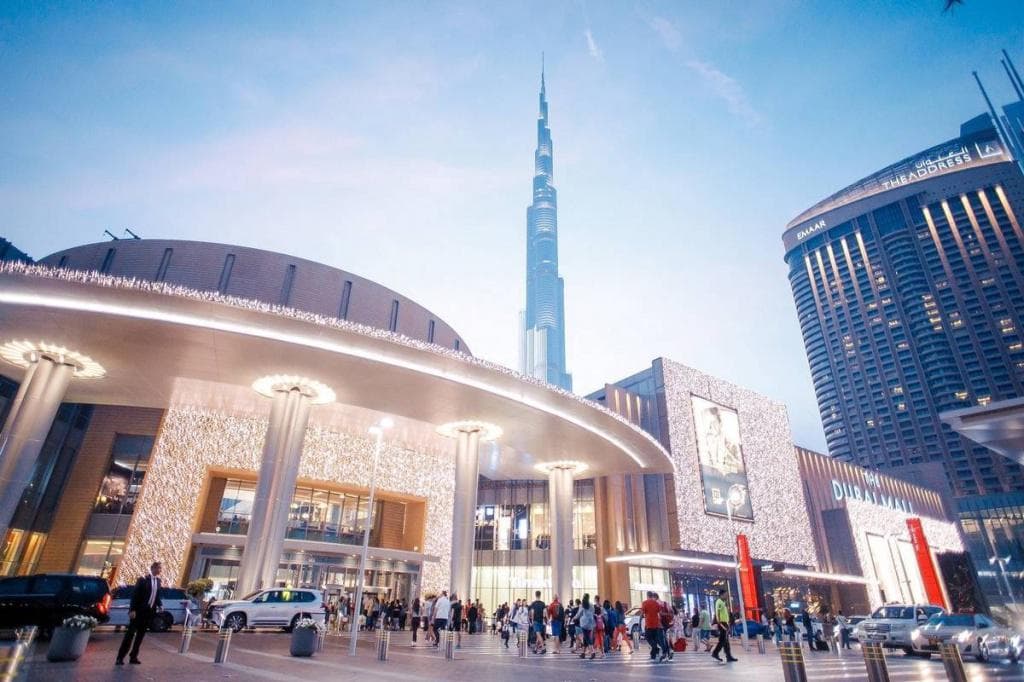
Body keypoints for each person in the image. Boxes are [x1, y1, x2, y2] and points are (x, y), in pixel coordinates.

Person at [116, 561, 163, 665]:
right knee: (130, 634)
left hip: (149, 612)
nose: (160, 570)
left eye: (160, 568)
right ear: (153, 568)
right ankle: (120, 657)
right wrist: (132, 610)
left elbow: (157, 595)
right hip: (138, 611)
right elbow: (135, 595)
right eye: (159, 568)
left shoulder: (159, 581)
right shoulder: (143, 580)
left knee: (140, 635)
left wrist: (160, 605)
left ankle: (133, 656)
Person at [711, 589, 738, 663]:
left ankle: (728, 656)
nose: (726, 596)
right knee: (722, 640)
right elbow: (718, 613)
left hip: (725, 623)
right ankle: (715, 653)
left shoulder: (723, 602)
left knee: (726, 641)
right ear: (721, 595)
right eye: (725, 594)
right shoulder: (719, 602)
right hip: (722, 623)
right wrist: (720, 623)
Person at [641, 591, 666, 662]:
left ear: (647, 595)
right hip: (656, 624)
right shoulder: (656, 603)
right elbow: (660, 613)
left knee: (648, 637)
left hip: (649, 623)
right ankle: (653, 655)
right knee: (654, 639)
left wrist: (640, 622)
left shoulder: (645, 603)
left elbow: (642, 613)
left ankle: (656, 648)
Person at [574, 593, 596, 660]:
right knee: (585, 638)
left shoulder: (582, 605)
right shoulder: (592, 605)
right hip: (590, 623)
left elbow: (579, 614)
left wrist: (574, 618)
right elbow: (593, 613)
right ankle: (583, 653)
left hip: (584, 623)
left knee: (587, 638)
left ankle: (593, 652)